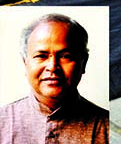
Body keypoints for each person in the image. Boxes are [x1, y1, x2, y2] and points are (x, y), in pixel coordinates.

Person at [0, 14, 108, 143]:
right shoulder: (3, 122)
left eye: (65, 56)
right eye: (41, 56)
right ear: (25, 63)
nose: (52, 67)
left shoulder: (105, 127)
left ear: (83, 63)